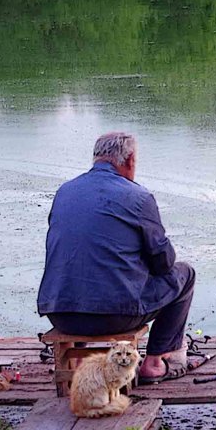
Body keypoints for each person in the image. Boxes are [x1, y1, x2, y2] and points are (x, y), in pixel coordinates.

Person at [37, 132, 198, 383]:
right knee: (185, 274)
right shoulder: (139, 197)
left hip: (60, 312)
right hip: (115, 316)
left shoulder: (64, 192)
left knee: (84, 269)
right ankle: (155, 363)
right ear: (130, 159)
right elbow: (164, 262)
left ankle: (76, 358)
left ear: (96, 158)